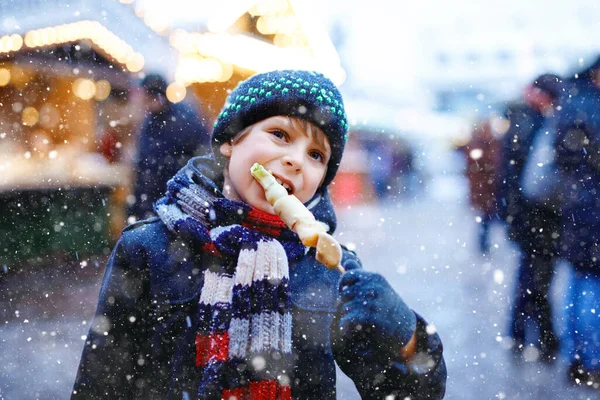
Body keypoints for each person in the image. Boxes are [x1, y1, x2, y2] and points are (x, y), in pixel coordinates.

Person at [71, 70, 447, 399]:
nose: (296, 159)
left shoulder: (332, 267)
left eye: (317, 155)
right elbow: (101, 381)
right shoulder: (148, 248)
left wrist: (409, 343)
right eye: (280, 134)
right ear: (230, 141)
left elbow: (403, 394)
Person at [496, 74, 563, 363]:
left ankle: (523, 335)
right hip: (535, 217)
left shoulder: (524, 120)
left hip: (530, 217)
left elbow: (507, 173)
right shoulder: (532, 123)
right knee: (536, 279)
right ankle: (541, 338)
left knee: (530, 277)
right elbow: (516, 175)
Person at [554, 57, 600, 385]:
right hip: (591, 208)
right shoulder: (588, 105)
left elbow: (567, 156)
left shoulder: (573, 101)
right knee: (589, 286)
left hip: (578, 207)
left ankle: (577, 357)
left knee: (579, 283)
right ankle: (591, 361)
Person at [128, 74, 210, 221]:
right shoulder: (150, 121)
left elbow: (202, 156)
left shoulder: (184, 119)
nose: (144, 102)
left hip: (176, 200)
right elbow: (144, 165)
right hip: (153, 200)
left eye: (146, 96)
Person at [460, 120, 501, 254]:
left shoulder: (488, 143)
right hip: (483, 187)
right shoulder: (479, 144)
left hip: (488, 187)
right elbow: (477, 162)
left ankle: (484, 242)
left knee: (486, 217)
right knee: (485, 216)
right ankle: (483, 242)